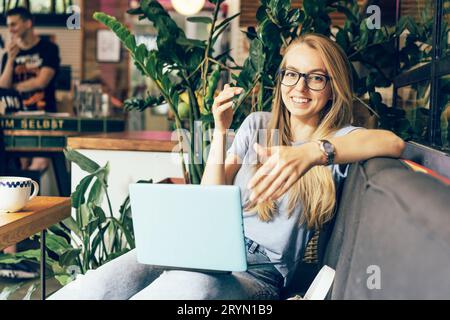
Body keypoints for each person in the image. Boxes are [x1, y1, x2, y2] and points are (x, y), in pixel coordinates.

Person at [49, 33, 405, 300]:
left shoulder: (340, 140)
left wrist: (312, 153)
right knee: (100, 283)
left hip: (262, 277)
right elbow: (212, 197)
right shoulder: (258, 125)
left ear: (332, 87)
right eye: (292, 74)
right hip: (206, 248)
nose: (301, 87)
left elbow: (392, 143)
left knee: (188, 287)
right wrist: (220, 130)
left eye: (316, 77)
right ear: (280, 79)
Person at [0, 7, 60, 279]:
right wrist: (10, 59)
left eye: (14, 24)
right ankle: (14, 254)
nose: (10, 29)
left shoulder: (47, 47)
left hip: (44, 119)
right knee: (15, 172)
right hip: (13, 124)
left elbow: (44, 79)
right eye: (8, 25)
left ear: (28, 23)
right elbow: (3, 86)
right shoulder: (10, 53)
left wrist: (17, 88)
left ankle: (38, 246)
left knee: (40, 168)